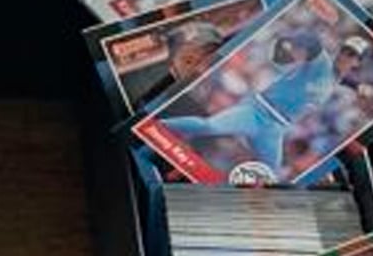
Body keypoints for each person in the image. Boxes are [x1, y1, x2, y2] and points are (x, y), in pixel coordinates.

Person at [159, 31, 373, 177]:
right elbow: (313, 44)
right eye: (346, 50)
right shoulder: (322, 62)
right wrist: (292, 42)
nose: (346, 55)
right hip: (256, 111)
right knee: (209, 126)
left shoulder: (337, 80)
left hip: (274, 130)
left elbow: (340, 79)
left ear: (356, 63)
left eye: (352, 55)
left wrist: (358, 86)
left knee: (272, 176)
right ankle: (157, 127)